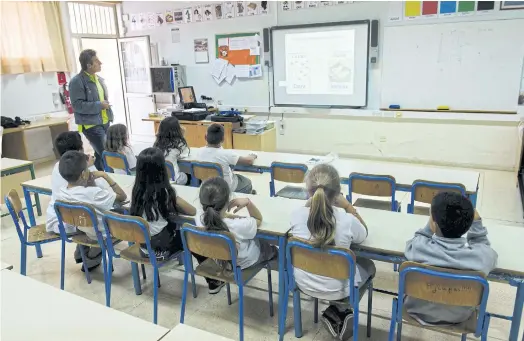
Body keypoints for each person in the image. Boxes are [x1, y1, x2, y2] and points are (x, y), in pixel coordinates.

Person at [290, 164, 375, 340]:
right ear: (337, 193)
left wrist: (310, 200)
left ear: (308, 190)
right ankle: (340, 310)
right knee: (368, 265)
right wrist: (349, 206)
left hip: (304, 282)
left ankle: (336, 311)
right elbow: (363, 234)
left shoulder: (296, 215)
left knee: (330, 262)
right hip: (339, 290)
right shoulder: (346, 219)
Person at [130, 147, 224, 294]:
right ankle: (213, 280)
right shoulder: (165, 193)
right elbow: (192, 211)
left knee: (175, 230)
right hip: (160, 248)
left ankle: (211, 277)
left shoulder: (136, 191)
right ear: (161, 169)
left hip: (143, 246)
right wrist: (174, 197)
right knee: (192, 238)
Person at [404, 192, 498, 326]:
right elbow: (484, 248)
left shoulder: (418, 248)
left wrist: (431, 224)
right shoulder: (481, 258)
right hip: (460, 317)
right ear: (469, 225)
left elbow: (418, 238)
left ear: (433, 223)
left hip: (416, 311)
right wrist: (477, 225)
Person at [46, 132, 112, 269]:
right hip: (74, 221)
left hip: (59, 219)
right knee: (104, 222)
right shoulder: (83, 168)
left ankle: (81, 250)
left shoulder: (58, 167)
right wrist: (91, 166)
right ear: (80, 149)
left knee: (87, 216)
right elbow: (104, 192)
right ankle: (91, 257)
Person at [55, 150, 127, 271]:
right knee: (125, 211)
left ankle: (82, 251)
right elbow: (122, 196)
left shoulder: (61, 192)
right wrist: (105, 176)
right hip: (102, 232)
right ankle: (92, 256)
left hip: (82, 227)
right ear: (84, 174)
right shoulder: (93, 193)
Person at [195, 177, 277, 270]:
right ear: (227, 201)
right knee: (273, 249)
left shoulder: (199, 218)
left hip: (218, 260)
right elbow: (258, 219)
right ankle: (286, 279)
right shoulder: (237, 225)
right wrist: (248, 202)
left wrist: (228, 215)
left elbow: (221, 216)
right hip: (242, 263)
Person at [69, 49, 113, 171]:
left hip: (104, 121)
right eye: (96, 61)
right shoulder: (77, 81)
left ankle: (98, 176)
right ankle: (111, 177)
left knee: (100, 154)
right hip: (91, 124)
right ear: (88, 65)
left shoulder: (98, 79)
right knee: (106, 153)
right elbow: (77, 105)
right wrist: (99, 105)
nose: (100, 63)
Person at [196, 124, 257, 194]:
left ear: (205, 137)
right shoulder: (226, 154)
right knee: (248, 182)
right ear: (223, 139)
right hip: (224, 188)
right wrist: (253, 155)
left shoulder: (199, 152)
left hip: (207, 186)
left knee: (235, 176)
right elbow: (249, 161)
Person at [153, 117, 191, 185]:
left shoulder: (156, 143)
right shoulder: (180, 143)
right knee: (187, 175)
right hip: (173, 180)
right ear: (178, 129)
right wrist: (182, 136)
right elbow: (185, 154)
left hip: (157, 178)